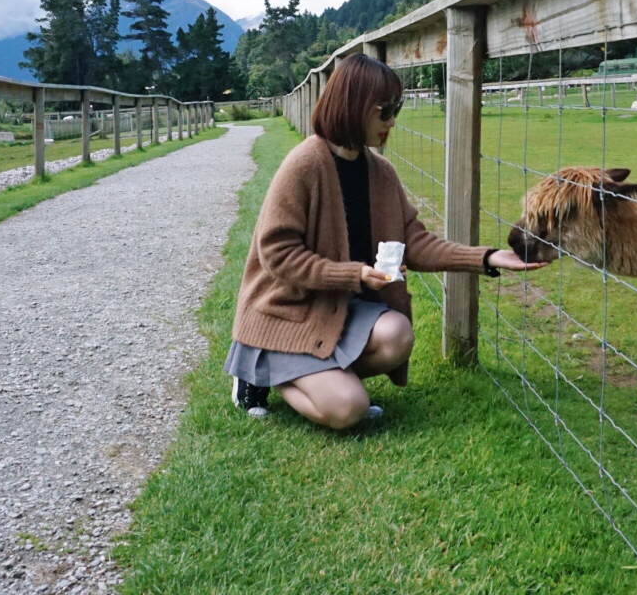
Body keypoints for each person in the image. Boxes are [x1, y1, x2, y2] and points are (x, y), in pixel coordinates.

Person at [226, 53, 546, 428]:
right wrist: (354, 275)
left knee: (397, 335)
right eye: (385, 110)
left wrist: (488, 258)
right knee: (349, 409)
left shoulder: (381, 172)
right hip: (291, 309)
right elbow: (277, 253)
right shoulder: (304, 165)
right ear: (354, 106)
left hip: (341, 311)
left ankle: (323, 377)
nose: (392, 120)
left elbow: (415, 241)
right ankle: (261, 372)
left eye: (398, 108)